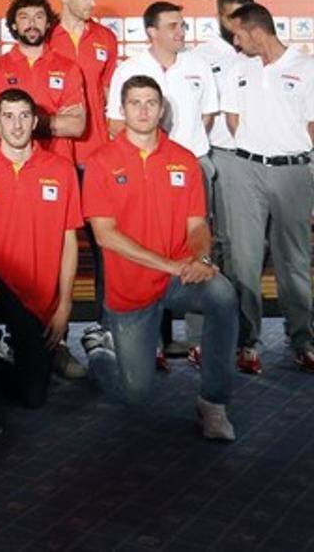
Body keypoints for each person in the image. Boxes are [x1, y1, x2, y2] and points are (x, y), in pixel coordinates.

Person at [80, 76, 238, 441]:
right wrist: (171, 264)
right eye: (134, 103)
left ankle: (213, 403)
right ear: (122, 109)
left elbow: (197, 224)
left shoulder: (183, 160)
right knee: (134, 395)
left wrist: (200, 257)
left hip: (179, 277)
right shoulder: (101, 162)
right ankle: (99, 351)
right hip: (131, 288)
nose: (143, 110)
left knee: (222, 294)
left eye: (151, 102)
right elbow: (106, 235)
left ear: (161, 109)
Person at [0, 88, 81, 435]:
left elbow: (70, 240)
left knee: (34, 397)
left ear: (35, 120)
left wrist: (65, 304)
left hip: (36, 295)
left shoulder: (62, 170)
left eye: (24, 115)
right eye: (8, 116)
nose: (17, 124)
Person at [107, 1, 219, 360]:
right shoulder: (129, 69)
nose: (181, 32)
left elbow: (209, 116)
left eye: (182, 25)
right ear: (151, 32)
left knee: (194, 244)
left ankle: (197, 340)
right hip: (143, 170)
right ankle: (152, 342)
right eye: (173, 26)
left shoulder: (199, 64)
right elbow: (115, 124)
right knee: (147, 246)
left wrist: (181, 159)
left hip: (192, 165)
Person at [0, 0, 88, 380]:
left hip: (56, 174)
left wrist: (26, 122)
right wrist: (47, 118)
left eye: (38, 17)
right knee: (8, 257)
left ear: (49, 24)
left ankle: (56, 343)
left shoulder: (68, 66)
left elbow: (77, 125)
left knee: (55, 256)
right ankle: (1, 342)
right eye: (23, 17)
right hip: (9, 175)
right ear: (13, 25)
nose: (31, 23)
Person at [220, 3, 314, 373]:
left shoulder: (306, 68)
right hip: (245, 171)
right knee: (243, 259)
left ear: (257, 31)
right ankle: (248, 342)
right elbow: (231, 119)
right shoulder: (237, 68)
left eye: (238, 35)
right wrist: (255, 147)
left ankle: (303, 338)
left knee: (294, 260)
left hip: (292, 172)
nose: (236, 43)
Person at [190, 0, 253, 365]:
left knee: (242, 251)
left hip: (245, 161)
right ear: (218, 16)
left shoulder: (261, 55)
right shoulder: (199, 56)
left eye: (242, 15)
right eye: (230, 15)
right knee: (201, 246)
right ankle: (199, 339)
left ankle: (244, 336)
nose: (236, 23)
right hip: (206, 155)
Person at [47, 0, 119, 167]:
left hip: (97, 148)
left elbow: (108, 91)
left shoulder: (106, 37)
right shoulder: (44, 37)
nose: (93, 3)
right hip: (53, 148)